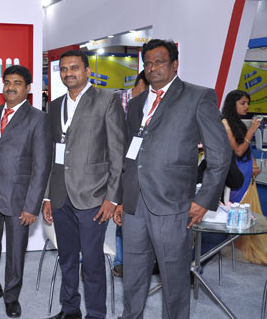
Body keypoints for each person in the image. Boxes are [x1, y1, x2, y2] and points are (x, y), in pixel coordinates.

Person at [114, 39, 230, 319]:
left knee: (174, 277)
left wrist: (204, 199)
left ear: (175, 64)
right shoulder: (137, 102)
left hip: (172, 204)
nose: (152, 68)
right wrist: (121, 198)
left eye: (159, 62)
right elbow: (130, 154)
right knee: (132, 274)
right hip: (134, 203)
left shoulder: (198, 97)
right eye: (148, 63)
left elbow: (220, 153)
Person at [43, 50, 125, 319]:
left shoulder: (107, 100)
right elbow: (51, 154)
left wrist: (112, 197)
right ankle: (70, 310)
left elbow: (117, 152)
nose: (69, 73)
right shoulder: (55, 105)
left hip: (94, 196)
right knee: (67, 259)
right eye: (64, 69)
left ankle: (96, 314)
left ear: (87, 71)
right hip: (60, 195)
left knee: (91, 263)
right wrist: (47, 196)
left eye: (74, 68)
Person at [0, 65, 52, 318]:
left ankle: (11, 296)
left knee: (15, 252)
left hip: (19, 199)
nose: (11, 87)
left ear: (28, 88)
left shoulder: (38, 119)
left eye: (17, 83)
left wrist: (32, 205)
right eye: (7, 82)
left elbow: (41, 166)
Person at [220, 89, 267, 265]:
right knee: (237, 208)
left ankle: (243, 245)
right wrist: (252, 131)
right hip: (236, 173)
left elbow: (247, 149)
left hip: (247, 170)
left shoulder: (238, 123)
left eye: (248, 103)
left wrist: (254, 164)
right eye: (243, 103)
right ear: (232, 104)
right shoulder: (224, 123)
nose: (247, 106)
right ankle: (236, 245)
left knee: (248, 210)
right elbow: (238, 150)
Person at [112, 71, 149, 277]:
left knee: (128, 214)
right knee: (103, 217)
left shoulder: (150, 106)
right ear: (141, 83)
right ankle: (90, 262)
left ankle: (125, 262)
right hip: (112, 166)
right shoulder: (115, 99)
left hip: (135, 166)